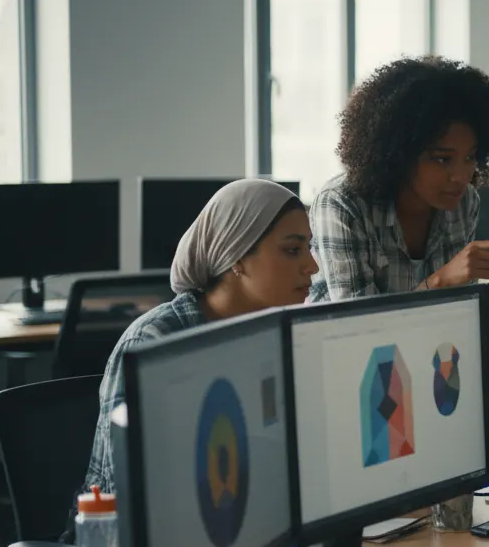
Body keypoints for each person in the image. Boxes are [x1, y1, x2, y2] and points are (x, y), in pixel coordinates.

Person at [85, 179, 318, 495]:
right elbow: (129, 491)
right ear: (236, 256)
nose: (312, 266)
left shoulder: (276, 334)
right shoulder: (155, 342)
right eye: (292, 250)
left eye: (309, 248)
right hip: (135, 537)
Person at [308, 55, 489, 302]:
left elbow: (455, 310)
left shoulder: (464, 202)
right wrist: (440, 281)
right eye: (442, 159)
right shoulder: (342, 204)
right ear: (400, 153)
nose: (461, 177)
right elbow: (359, 327)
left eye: (470, 157)